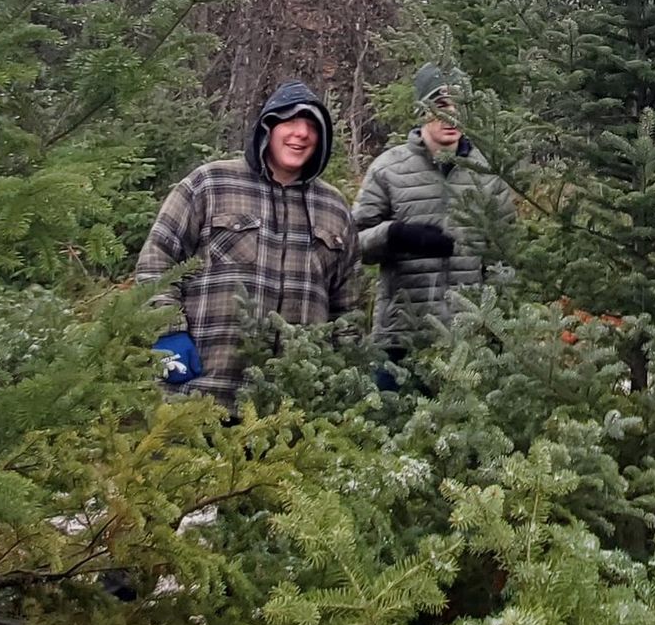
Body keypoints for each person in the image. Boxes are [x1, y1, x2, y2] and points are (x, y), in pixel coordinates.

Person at [135, 80, 360, 407]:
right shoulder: (209, 184)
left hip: (295, 408)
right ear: (268, 127)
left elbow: (347, 304)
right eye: (291, 122)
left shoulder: (334, 207)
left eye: (313, 126)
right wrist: (169, 330)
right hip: (203, 392)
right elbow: (156, 261)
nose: (301, 133)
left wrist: (347, 373)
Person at [352, 63, 515, 371]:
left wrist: (498, 325)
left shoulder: (489, 172)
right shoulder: (388, 169)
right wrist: (394, 234)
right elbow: (352, 245)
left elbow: (505, 254)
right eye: (440, 105)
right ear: (422, 108)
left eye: (459, 106)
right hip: (401, 338)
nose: (451, 116)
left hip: (470, 339)